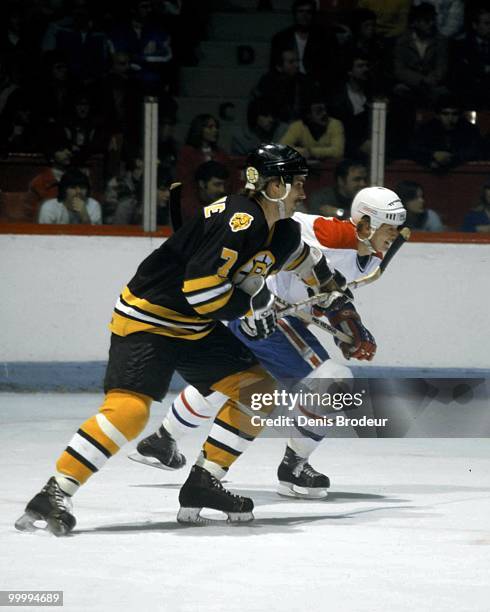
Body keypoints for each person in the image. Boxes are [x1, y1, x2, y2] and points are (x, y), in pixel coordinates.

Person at [16, 143, 344, 534]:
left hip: (193, 326)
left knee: (258, 389)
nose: (304, 192)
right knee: (130, 410)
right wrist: (253, 305)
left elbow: (306, 259)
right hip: (149, 318)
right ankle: (55, 490)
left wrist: (334, 293)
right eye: (298, 183)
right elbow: (201, 291)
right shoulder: (241, 218)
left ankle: (203, 484)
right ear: (274, 185)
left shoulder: (282, 230)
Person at [130, 187, 407, 499]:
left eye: (398, 228)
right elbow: (275, 232)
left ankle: (161, 441)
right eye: (390, 228)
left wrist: (349, 323)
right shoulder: (326, 233)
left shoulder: (372, 258)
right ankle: (294, 468)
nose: (395, 235)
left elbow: (328, 293)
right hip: (264, 313)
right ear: (366, 225)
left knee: (235, 381)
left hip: (266, 315)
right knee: (334, 383)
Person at [410, 95, 482, 170]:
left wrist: (452, 159)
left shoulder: (469, 130)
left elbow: (476, 150)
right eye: (445, 114)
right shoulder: (426, 129)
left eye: (454, 114)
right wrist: (432, 156)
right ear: (438, 115)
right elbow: (414, 149)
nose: (450, 118)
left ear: (459, 115)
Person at [280, 95, 344, 162]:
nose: (324, 114)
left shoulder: (335, 124)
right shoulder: (298, 126)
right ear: (308, 115)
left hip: (330, 167)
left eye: (325, 110)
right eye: (319, 111)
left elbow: (338, 151)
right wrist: (299, 152)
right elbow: (283, 147)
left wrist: (310, 151)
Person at [29, 141, 73, 206]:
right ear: (51, 157)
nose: (68, 153)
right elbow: (31, 211)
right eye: (61, 150)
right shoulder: (39, 182)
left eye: (69, 150)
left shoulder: (78, 179)